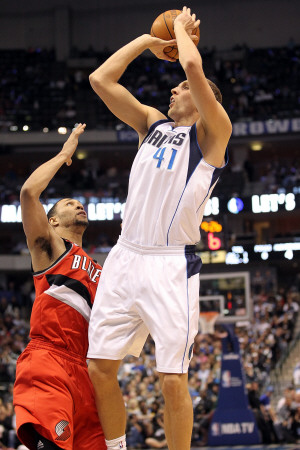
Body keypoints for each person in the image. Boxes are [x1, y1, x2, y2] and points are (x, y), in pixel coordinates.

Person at [87, 7, 232, 450]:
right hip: (125, 255)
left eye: (186, 88)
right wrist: (150, 43)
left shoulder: (214, 134)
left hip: (170, 264)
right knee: (98, 367)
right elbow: (101, 80)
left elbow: (192, 65)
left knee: (171, 380)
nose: (175, 86)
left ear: (208, 98)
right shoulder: (151, 124)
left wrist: (184, 34)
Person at [13, 124, 106, 450]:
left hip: (87, 372)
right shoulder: (50, 248)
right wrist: (65, 154)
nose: (78, 205)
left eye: (79, 203)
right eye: (68, 203)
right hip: (49, 360)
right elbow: (28, 194)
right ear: (51, 221)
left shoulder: (99, 270)